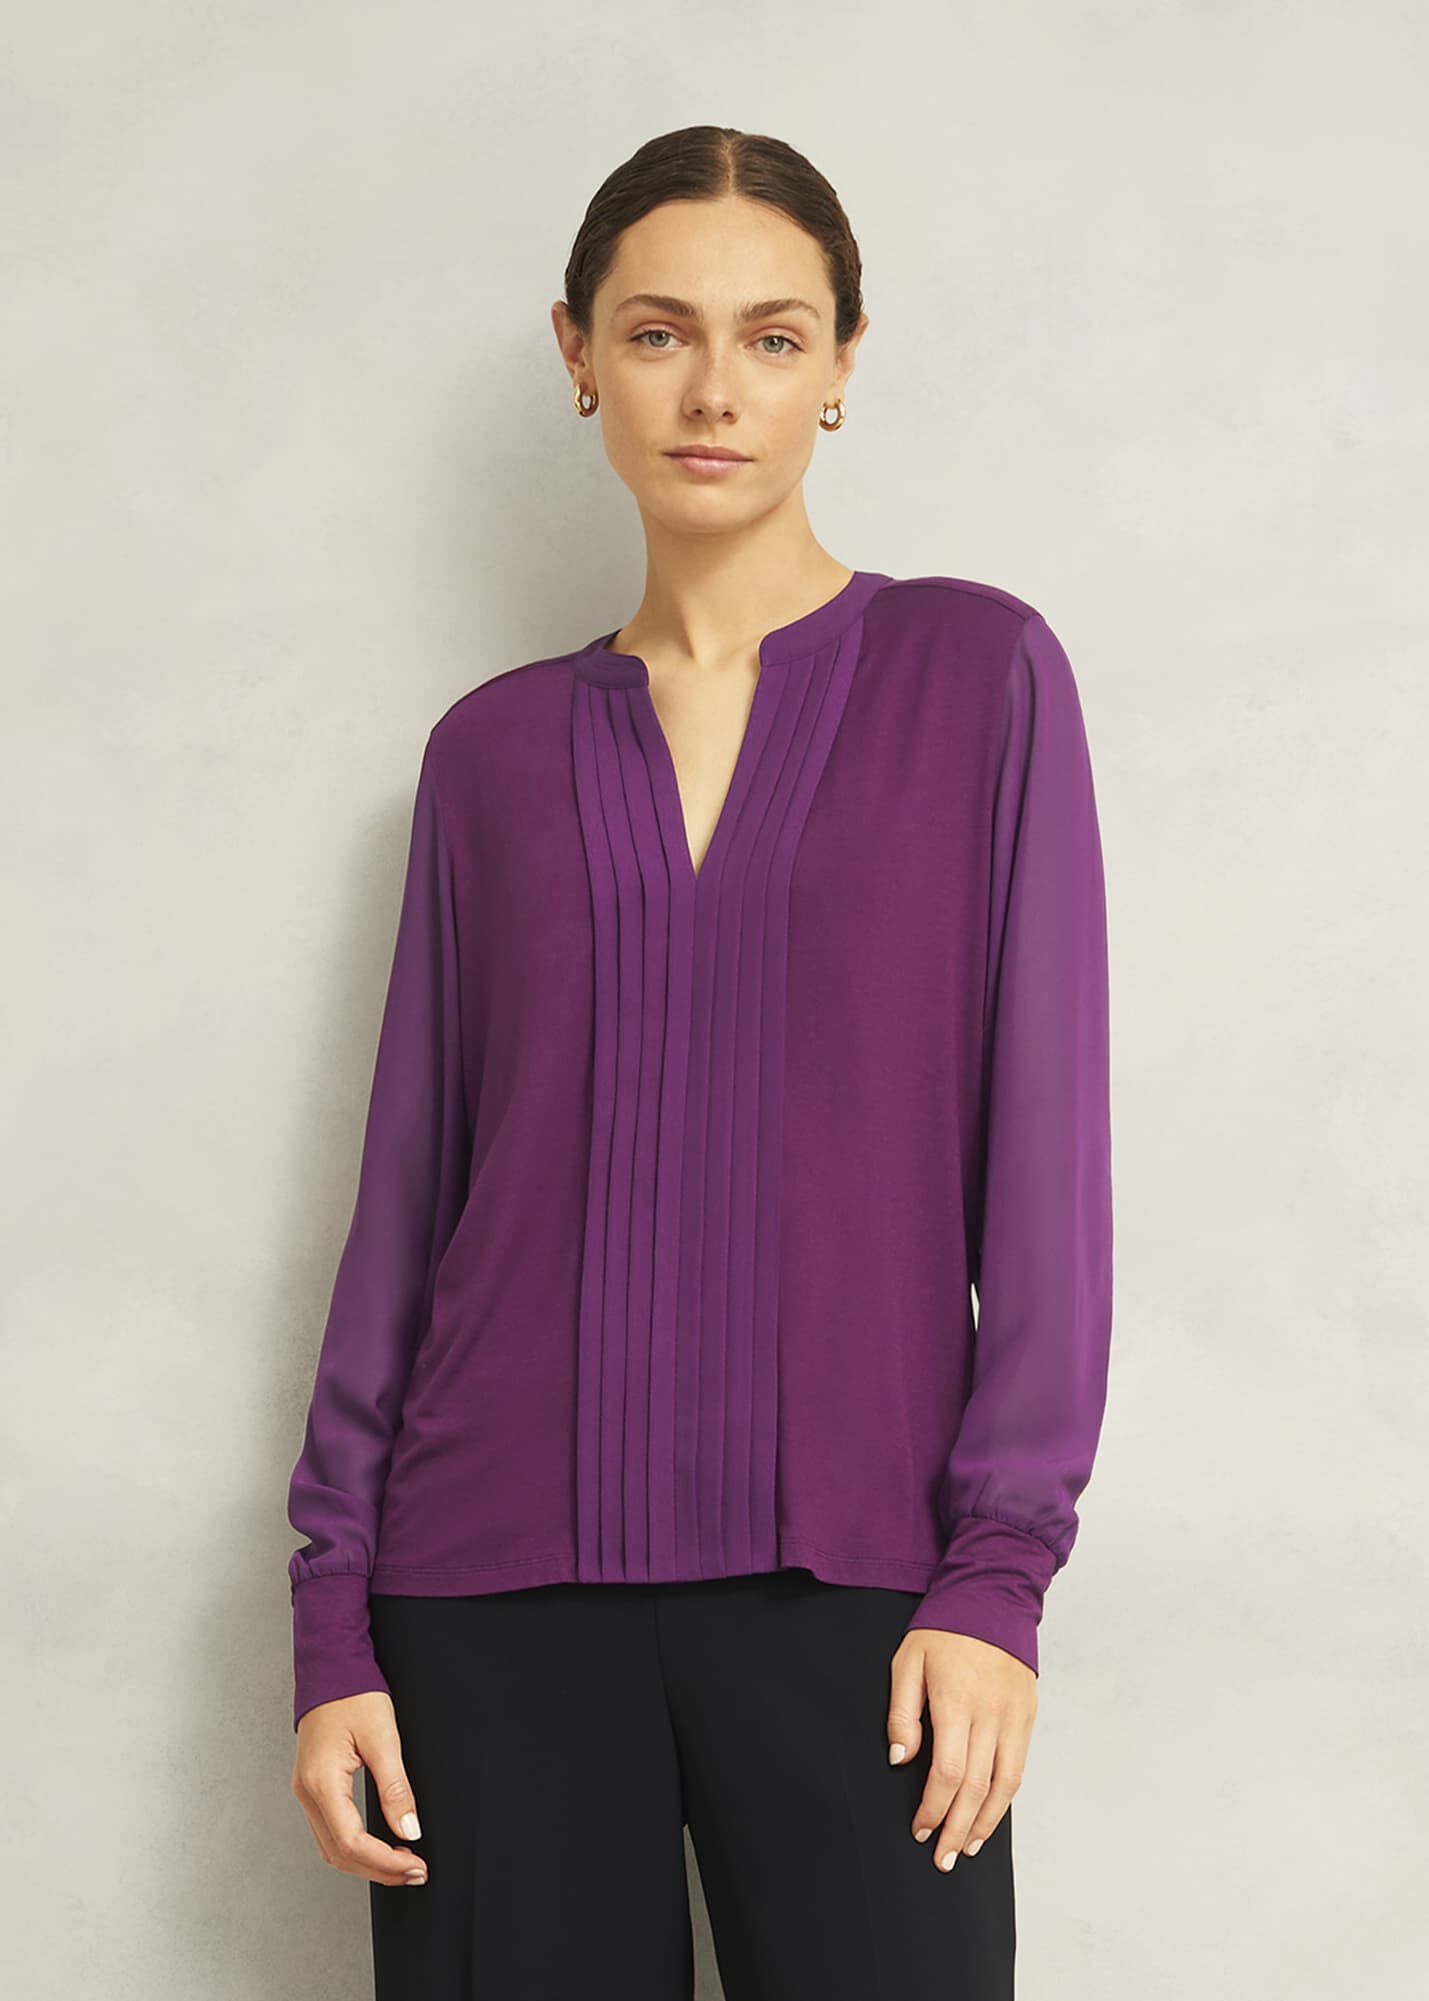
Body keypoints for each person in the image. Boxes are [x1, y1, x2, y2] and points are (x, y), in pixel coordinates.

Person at [285, 124, 1114, 2000]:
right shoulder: (489, 755)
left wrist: (995, 1576)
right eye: (659, 332)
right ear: (579, 353)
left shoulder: (975, 675)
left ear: (841, 365)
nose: (715, 389)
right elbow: (408, 1209)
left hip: (860, 1591)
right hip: (485, 1595)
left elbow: (1046, 1172)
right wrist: (333, 1616)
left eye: (772, 335)